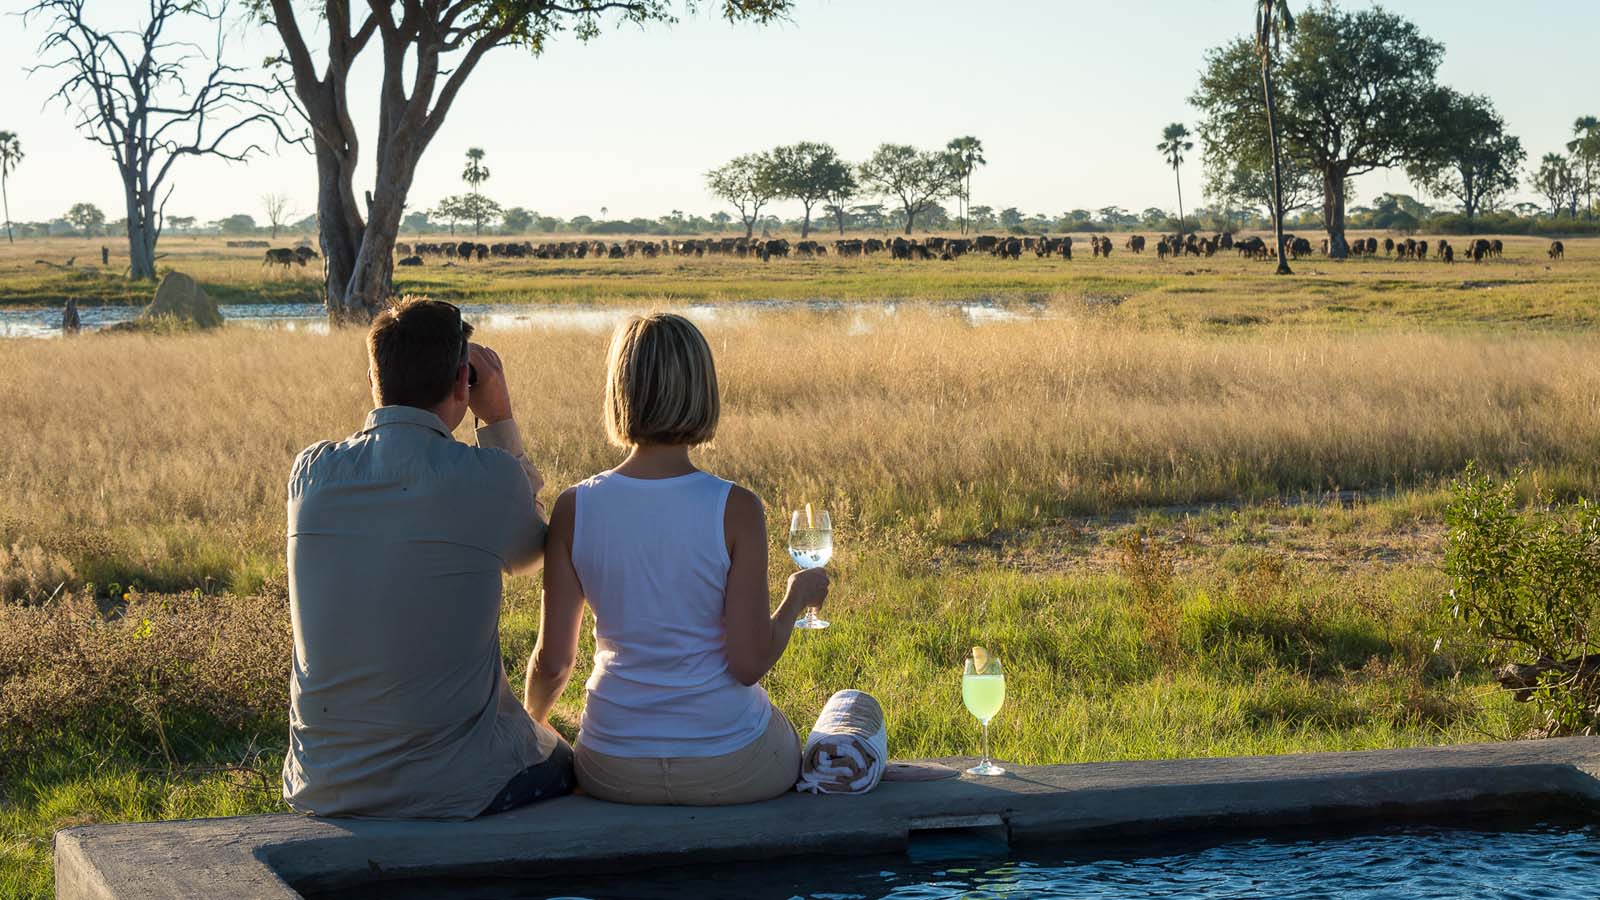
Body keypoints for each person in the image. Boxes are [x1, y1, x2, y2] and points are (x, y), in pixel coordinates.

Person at [282, 297, 573, 819]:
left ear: (374, 377)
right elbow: (532, 555)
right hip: (459, 785)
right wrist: (500, 416)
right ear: (465, 380)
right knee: (566, 759)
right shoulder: (487, 477)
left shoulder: (311, 473)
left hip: (323, 780)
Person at [525, 312, 829, 806]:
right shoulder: (736, 508)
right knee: (821, 726)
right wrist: (796, 599)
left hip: (611, 766)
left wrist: (533, 728)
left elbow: (554, 663)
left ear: (619, 392)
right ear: (701, 391)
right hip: (730, 767)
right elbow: (748, 662)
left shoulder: (575, 507)